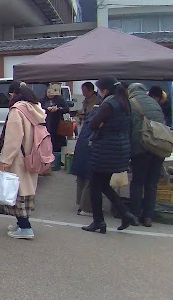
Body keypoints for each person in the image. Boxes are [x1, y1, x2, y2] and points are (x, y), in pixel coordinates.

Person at [83, 77, 137, 233]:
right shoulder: (124, 102)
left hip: (105, 149)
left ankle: (98, 221)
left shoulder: (108, 104)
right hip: (119, 148)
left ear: (104, 90)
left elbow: (93, 123)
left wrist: (95, 118)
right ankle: (125, 213)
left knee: (95, 185)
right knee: (104, 184)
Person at [0, 82, 45, 239]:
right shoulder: (36, 108)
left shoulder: (17, 111)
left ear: (14, 94)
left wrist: (5, 160)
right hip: (33, 154)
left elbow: (13, 139)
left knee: (17, 192)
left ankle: (25, 227)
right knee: (27, 190)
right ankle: (21, 224)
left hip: (19, 157)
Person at [128, 83, 166, 227]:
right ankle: (148, 217)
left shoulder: (131, 103)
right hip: (158, 147)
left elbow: (129, 127)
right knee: (151, 183)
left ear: (131, 91)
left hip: (141, 147)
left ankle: (136, 215)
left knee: (137, 182)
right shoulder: (154, 103)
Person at [71, 107, 97, 216]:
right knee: (90, 179)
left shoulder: (90, 118)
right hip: (91, 150)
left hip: (81, 149)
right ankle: (86, 208)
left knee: (81, 177)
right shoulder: (99, 119)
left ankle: (80, 203)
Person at [41, 84, 70, 171]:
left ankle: (56, 163)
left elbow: (66, 109)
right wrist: (46, 109)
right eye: (48, 91)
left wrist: (58, 109)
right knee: (46, 144)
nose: (50, 94)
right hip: (45, 124)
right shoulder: (42, 100)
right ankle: (47, 163)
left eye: (52, 91)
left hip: (57, 124)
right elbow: (38, 108)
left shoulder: (59, 99)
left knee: (57, 144)